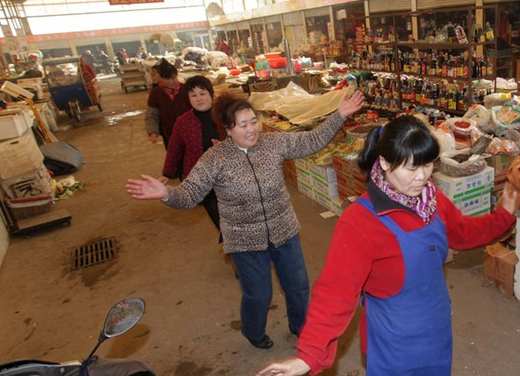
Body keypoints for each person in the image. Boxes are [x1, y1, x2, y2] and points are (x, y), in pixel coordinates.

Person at [256, 115, 519, 376]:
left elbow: (462, 233)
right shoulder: (360, 221)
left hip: (433, 318)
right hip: (393, 330)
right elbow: (335, 292)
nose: (422, 177)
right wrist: (308, 355)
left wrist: (503, 216)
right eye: (411, 168)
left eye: (427, 165)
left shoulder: (432, 200)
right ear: (383, 163)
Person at [126, 90, 365, 350]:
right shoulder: (215, 159)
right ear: (228, 129)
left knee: (298, 286)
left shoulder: (273, 144)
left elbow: (311, 140)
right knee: (259, 294)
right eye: (243, 125)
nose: (252, 129)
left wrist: (339, 115)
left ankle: (301, 326)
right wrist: (166, 194)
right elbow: (189, 194)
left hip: (283, 229)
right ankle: (253, 330)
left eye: (254, 121)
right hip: (244, 240)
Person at [160, 75, 226, 234]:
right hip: (201, 177)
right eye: (193, 95)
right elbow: (174, 147)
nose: (199, 99)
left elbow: (243, 138)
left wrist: (224, 147)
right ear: (188, 99)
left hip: (227, 173)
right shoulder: (183, 121)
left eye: (202, 93)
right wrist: (167, 172)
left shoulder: (225, 115)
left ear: (211, 94)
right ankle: (232, 241)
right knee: (217, 214)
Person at [145, 59, 190, 148]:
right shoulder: (156, 93)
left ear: (177, 75)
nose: (171, 81)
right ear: (161, 78)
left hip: (189, 131)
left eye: (173, 78)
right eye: (167, 79)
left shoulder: (186, 89)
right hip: (169, 133)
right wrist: (153, 132)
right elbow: (151, 114)